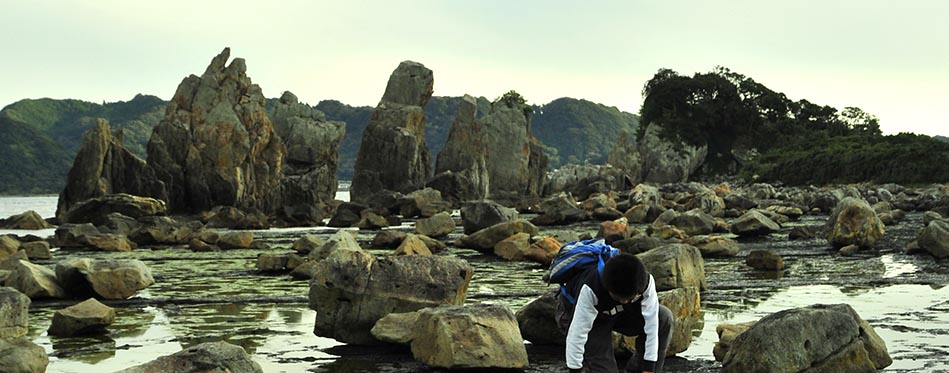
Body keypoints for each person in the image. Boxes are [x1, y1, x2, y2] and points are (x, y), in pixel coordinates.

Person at [557, 252, 674, 373]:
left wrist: (649, 368)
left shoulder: (644, 282)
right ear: (608, 289)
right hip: (589, 319)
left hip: (619, 314)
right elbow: (577, 333)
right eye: (619, 298)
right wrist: (574, 368)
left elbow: (652, 325)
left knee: (663, 317)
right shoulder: (591, 288)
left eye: (629, 299)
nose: (624, 301)